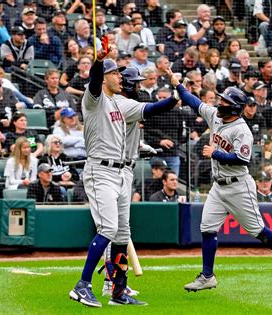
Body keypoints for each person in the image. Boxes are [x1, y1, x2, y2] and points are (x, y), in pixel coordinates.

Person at [69, 38, 179, 307]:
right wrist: (98, 61)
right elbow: (94, 81)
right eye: (115, 72)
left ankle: (118, 291)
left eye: (119, 72)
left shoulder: (120, 102)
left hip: (121, 173)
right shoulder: (94, 100)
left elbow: (152, 109)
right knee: (107, 229)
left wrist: (178, 95)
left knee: (121, 234)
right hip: (101, 170)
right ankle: (82, 285)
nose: (120, 76)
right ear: (105, 77)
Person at [176, 83, 272, 292]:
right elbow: (195, 103)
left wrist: (215, 153)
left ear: (234, 107)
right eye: (221, 99)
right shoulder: (215, 115)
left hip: (239, 187)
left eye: (225, 101)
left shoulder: (242, 130)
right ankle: (207, 275)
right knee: (207, 227)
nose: (220, 103)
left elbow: (242, 159)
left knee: (258, 231)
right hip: (218, 186)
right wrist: (178, 85)